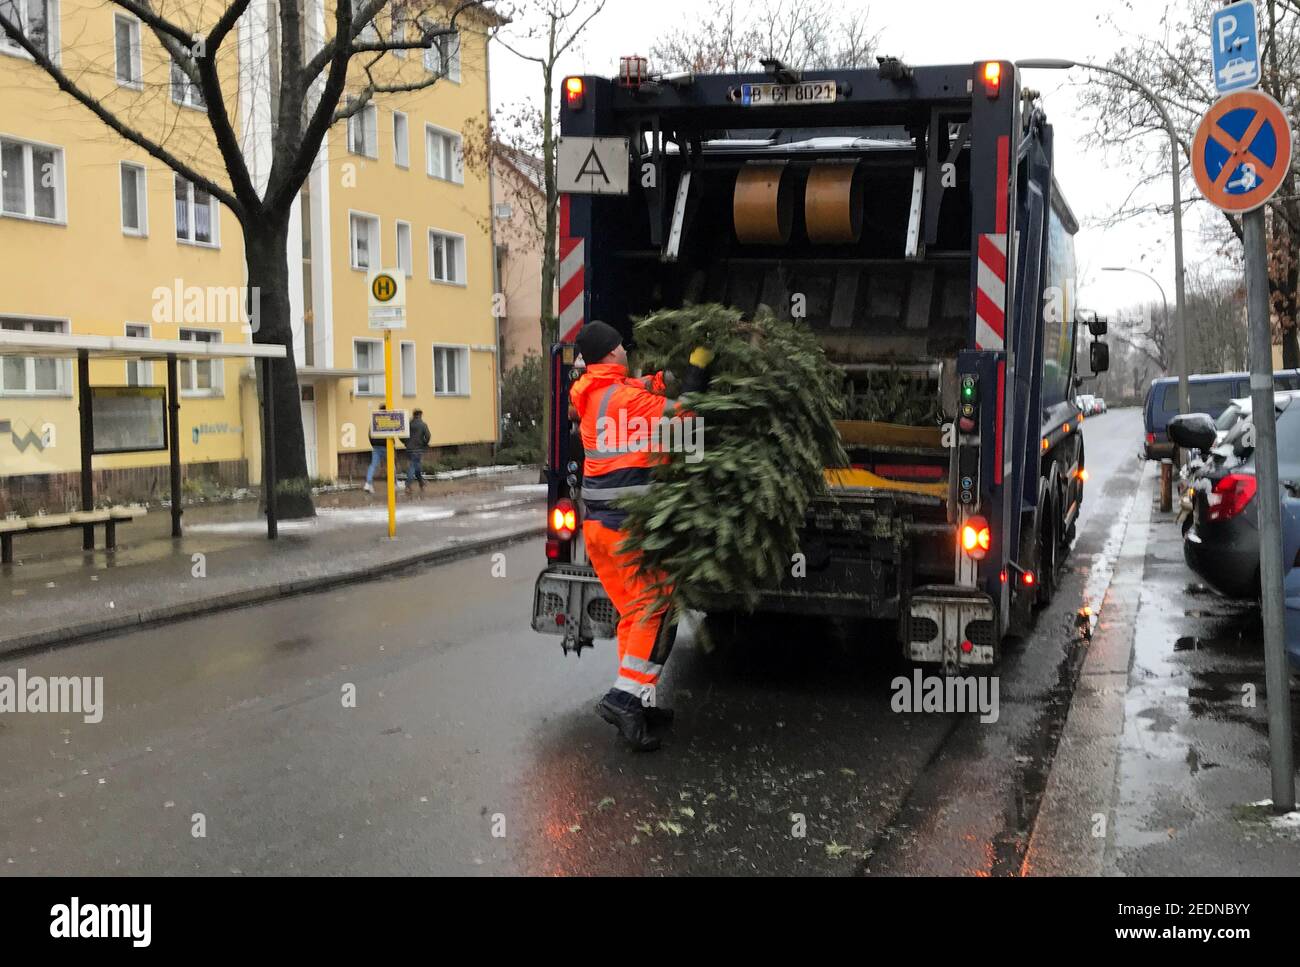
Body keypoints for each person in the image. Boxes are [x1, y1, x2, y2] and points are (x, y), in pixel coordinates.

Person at [570, 320, 713, 752]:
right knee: (652, 607)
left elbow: (643, 388)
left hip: (598, 528)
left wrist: (665, 376)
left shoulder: (599, 392)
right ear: (613, 352)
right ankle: (622, 698)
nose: (625, 350)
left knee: (636, 612)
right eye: (621, 346)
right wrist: (698, 371)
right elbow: (684, 415)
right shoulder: (624, 399)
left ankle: (638, 706)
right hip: (623, 528)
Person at [406, 409, 431, 493]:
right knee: (413, 466)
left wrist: (406, 443)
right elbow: (428, 436)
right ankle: (408, 485)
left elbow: (402, 435)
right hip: (418, 449)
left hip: (409, 449)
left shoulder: (408, 424)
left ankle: (421, 483)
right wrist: (424, 443)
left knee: (417, 467)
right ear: (420, 415)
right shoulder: (423, 425)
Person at [363, 429, 385, 493]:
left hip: (375, 446)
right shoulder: (387, 420)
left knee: (373, 465)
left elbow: (369, 435)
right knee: (391, 464)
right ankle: (394, 483)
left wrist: (372, 444)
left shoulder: (373, 421)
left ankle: (368, 484)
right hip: (386, 445)